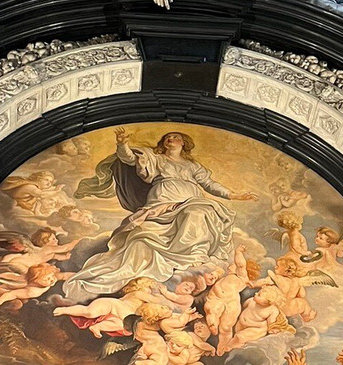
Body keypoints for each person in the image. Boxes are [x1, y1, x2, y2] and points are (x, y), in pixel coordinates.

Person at [63, 128, 256, 301]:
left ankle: (195, 253)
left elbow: (209, 184)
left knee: (198, 211)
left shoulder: (192, 166)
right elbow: (129, 159)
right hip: (163, 200)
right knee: (144, 236)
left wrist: (233, 195)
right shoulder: (155, 158)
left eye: (175, 136)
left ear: (184, 143)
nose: (170, 139)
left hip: (190, 199)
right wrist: (122, 144)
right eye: (167, 137)